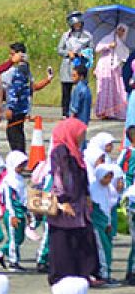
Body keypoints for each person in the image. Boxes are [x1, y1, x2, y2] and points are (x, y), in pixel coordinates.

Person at [46, 118, 98, 283]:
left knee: (82, 238)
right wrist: (63, 200)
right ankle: (62, 275)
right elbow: (59, 176)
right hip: (66, 204)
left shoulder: (74, 150)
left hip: (79, 203)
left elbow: (81, 175)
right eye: (80, 133)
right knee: (63, 241)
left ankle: (82, 273)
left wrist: (87, 195)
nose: (82, 136)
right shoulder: (61, 151)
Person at [2, 42, 53, 153]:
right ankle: (20, 155)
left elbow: (16, 89)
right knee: (18, 132)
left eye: (12, 54)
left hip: (17, 108)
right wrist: (48, 80)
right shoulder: (26, 70)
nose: (10, 57)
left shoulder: (18, 71)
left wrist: (10, 107)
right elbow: (32, 87)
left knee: (13, 133)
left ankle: (18, 157)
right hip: (23, 107)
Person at [56, 12, 93, 118]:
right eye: (75, 24)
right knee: (66, 91)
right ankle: (65, 113)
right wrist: (68, 53)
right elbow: (59, 49)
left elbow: (91, 50)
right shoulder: (66, 36)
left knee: (81, 89)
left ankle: (81, 111)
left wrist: (84, 53)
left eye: (79, 24)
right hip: (68, 65)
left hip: (81, 64)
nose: (78, 26)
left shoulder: (87, 36)